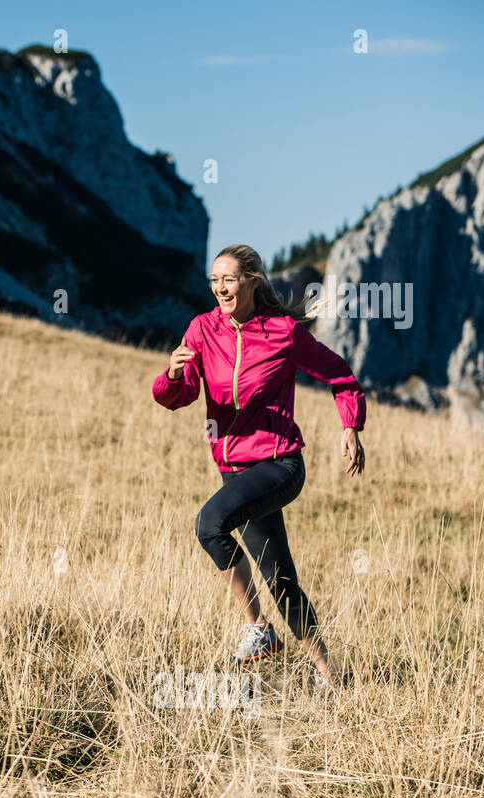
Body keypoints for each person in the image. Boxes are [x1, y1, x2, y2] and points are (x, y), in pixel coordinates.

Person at [152, 244, 365, 689]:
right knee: (280, 578)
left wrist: (350, 426)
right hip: (235, 471)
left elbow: (338, 373)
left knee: (210, 523)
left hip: (279, 464)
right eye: (214, 281)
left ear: (252, 281)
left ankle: (258, 630)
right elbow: (179, 397)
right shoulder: (202, 330)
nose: (220, 288)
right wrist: (171, 375)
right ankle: (333, 679)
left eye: (228, 279)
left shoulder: (282, 333)